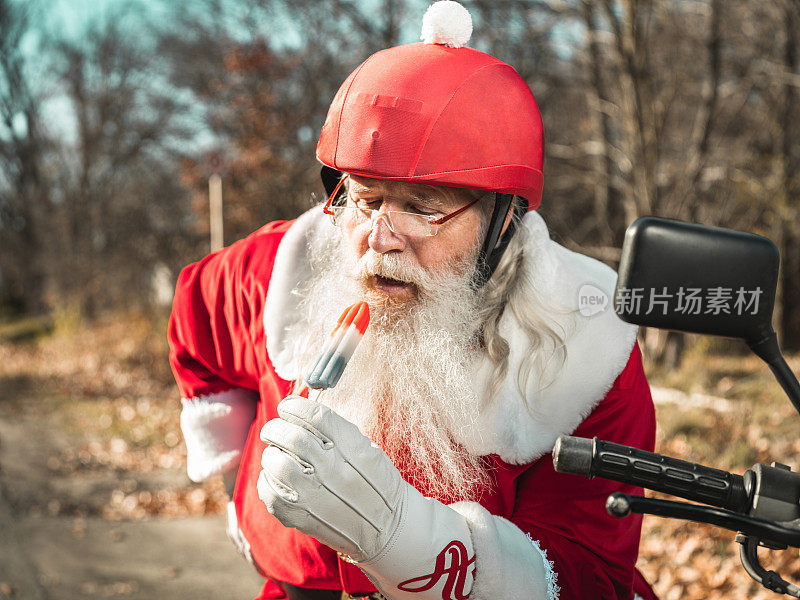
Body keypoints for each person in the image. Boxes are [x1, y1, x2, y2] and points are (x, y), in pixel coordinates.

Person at [168, 2, 658, 599]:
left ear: (504, 220)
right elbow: (194, 321)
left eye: (421, 208)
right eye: (366, 199)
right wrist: (234, 490)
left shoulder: (583, 343)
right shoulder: (279, 271)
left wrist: (413, 541)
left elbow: (591, 575)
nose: (378, 239)